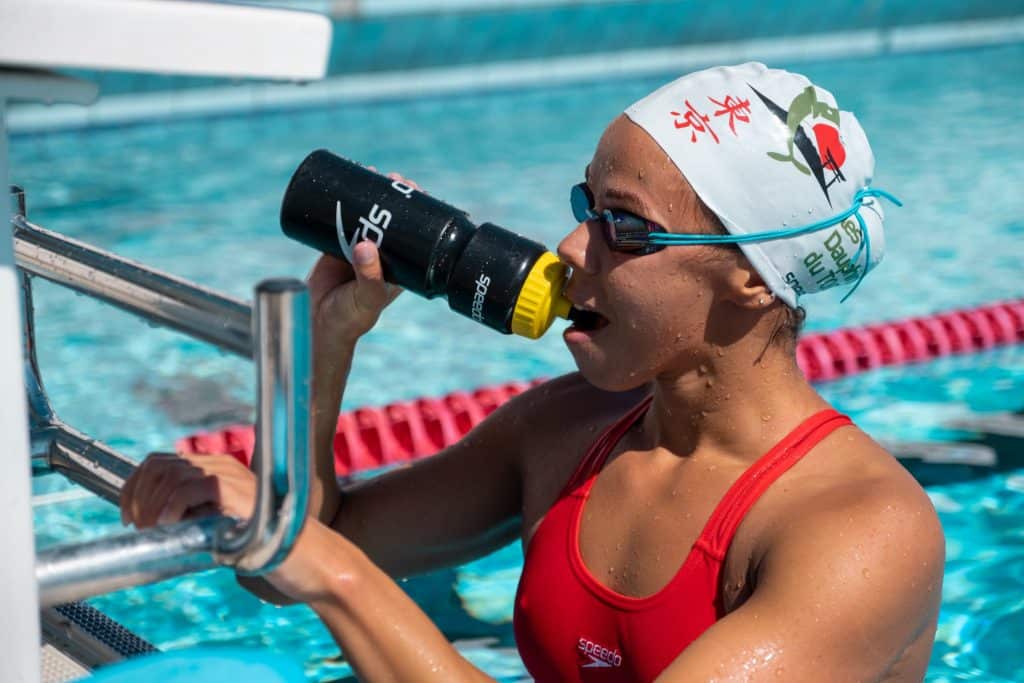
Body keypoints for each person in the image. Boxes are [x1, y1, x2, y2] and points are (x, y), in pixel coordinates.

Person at [120, 63, 944, 681]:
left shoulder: (864, 533)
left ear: (754, 276)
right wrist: (325, 349)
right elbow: (289, 567)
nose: (572, 246)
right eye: (586, 206)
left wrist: (328, 569)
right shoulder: (565, 428)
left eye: (624, 225)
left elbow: (325, 564)